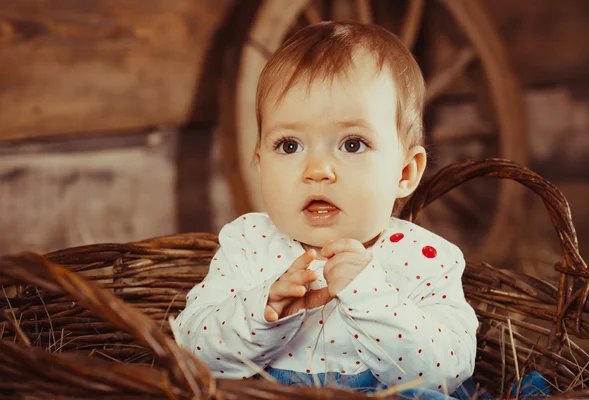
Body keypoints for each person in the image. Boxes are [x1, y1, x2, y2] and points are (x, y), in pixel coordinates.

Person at [175, 20, 478, 398]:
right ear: (259, 162)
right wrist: (262, 311)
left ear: (404, 172)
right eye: (289, 146)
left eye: (352, 144)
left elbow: (448, 370)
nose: (317, 170)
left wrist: (370, 297)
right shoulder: (249, 245)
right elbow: (189, 348)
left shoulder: (424, 259)